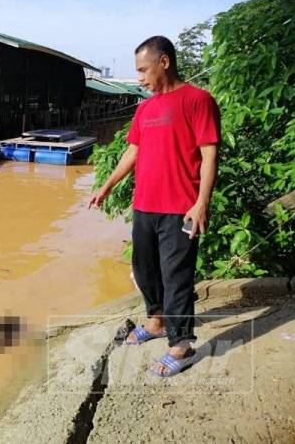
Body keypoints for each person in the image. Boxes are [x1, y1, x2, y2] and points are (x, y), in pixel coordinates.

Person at [88, 36, 220, 377]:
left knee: (176, 276)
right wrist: (106, 185)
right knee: (145, 269)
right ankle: (157, 321)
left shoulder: (198, 100)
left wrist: (201, 202)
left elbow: (209, 153)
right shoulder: (145, 109)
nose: (141, 78)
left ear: (164, 62)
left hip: (181, 207)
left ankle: (182, 346)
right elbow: (133, 151)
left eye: (143, 70)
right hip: (145, 205)